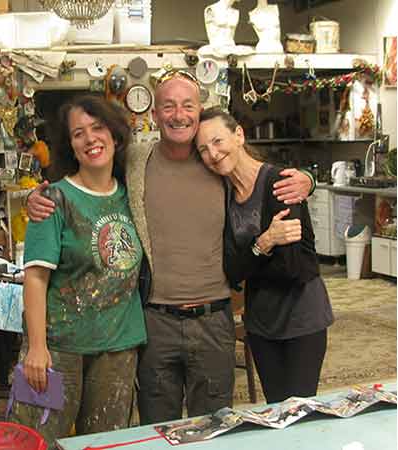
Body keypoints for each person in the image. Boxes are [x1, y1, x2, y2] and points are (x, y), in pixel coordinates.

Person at [26, 70, 314, 424]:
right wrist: (37, 195)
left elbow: (257, 174)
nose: (178, 115)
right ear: (154, 114)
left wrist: (307, 180)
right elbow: (86, 173)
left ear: (199, 110)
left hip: (211, 320)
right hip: (150, 323)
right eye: (168, 106)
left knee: (213, 427)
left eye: (187, 105)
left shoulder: (215, 160)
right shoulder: (135, 161)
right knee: (152, 428)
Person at [10, 95, 146, 448]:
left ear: (115, 135)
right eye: (78, 133)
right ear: (70, 145)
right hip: (57, 349)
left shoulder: (134, 195)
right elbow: (36, 279)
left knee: (103, 443)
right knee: (36, 441)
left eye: (98, 128)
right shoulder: (53, 200)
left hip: (118, 349)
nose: (90, 139)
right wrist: (36, 348)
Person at [195, 106, 334, 404]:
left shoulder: (280, 183)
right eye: (203, 149)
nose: (213, 153)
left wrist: (249, 259)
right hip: (261, 322)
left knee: (299, 411)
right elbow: (231, 272)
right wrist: (265, 242)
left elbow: (292, 267)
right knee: (275, 409)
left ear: (239, 135)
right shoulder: (223, 196)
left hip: (301, 316)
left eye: (218, 141)